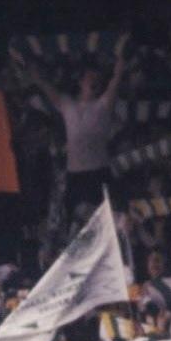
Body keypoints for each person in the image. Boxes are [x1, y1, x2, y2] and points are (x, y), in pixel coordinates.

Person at [13, 50, 126, 219]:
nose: (94, 80)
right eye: (90, 77)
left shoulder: (103, 105)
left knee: (105, 217)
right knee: (76, 218)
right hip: (76, 175)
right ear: (81, 81)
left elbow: (117, 79)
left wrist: (121, 53)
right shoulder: (67, 104)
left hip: (99, 173)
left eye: (96, 78)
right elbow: (43, 84)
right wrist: (26, 62)